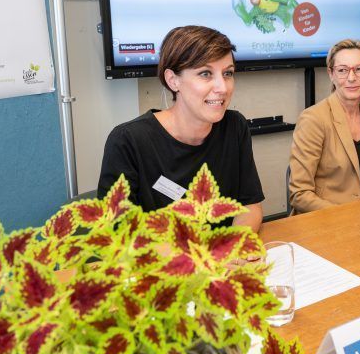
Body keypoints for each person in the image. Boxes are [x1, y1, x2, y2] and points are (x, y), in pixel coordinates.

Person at [97, 26, 264, 230]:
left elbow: (249, 205)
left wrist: (232, 245)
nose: (223, 87)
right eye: (205, 74)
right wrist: (199, 260)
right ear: (173, 80)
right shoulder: (128, 140)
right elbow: (118, 231)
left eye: (228, 73)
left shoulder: (234, 126)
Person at [289, 39, 360, 213]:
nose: (351, 78)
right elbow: (300, 194)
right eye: (342, 70)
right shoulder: (313, 119)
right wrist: (348, 217)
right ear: (331, 74)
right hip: (327, 219)